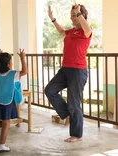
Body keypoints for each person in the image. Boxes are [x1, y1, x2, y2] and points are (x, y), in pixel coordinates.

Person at [45, 4, 92, 142]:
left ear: (81, 15)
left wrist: (79, 14)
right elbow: (61, 31)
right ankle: (67, 115)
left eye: (74, 15)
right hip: (65, 69)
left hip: (78, 71)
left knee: (74, 103)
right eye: (71, 15)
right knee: (50, 90)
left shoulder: (86, 31)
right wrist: (53, 19)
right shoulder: (71, 31)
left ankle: (76, 135)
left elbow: (88, 29)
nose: (71, 18)